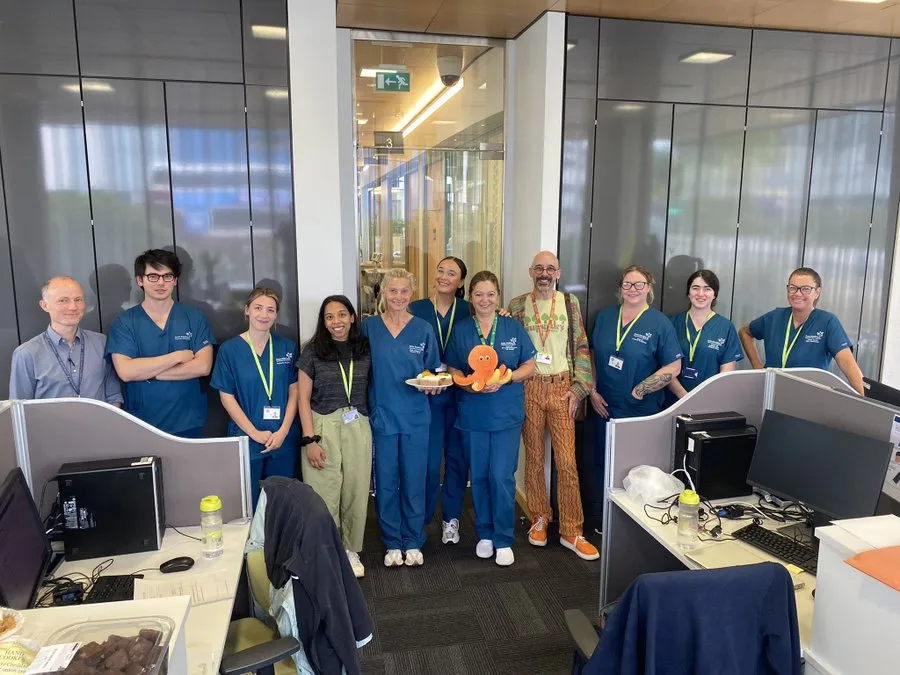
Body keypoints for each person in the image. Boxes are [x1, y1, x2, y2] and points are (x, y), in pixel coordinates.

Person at [508, 251, 599, 561]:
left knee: (567, 462)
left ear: (558, 273)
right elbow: (510, 345)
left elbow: (582, 346)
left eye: (550, 268)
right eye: (539, 268)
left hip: (562, 389)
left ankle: (572, 530)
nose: (544, 273)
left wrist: (579, 388)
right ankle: (539, 517)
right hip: (530, 388)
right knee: (534, 458)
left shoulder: (570, 304)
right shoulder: (518, 305)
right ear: (531, 272)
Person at [446, 271, 535, 566]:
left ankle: (504, 538)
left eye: (491, 294)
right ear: (471, 298)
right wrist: (466, 383)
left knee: (501, 476)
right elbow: (453, 368)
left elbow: (530, 365)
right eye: (479, 294)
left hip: (506, 415)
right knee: (480, 476)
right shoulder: (462, 330)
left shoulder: (512, 327)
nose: (485, 300)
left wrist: (508, 378)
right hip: (473, 415)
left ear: (498, 296)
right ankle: (485, 534)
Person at [589, 265, 682, 527]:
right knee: (603, 464)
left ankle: (632, 525)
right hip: (604, 407)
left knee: (635, 469)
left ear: (649, 288)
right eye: (627, 284)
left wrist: (641, 389)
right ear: (620, 288)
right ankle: (603, 521)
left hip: (640, 411)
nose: (633, 289)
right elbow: (592, 355)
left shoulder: (659, 323)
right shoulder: (605, 317)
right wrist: (592, 390)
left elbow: (674, 366)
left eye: (639, 284)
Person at [361, 268, 441, 568]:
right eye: (392, 290)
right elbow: (360, 370)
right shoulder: (369, 328)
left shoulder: (423, 329)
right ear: (382, 292)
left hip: (416, 416)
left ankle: (413, 539)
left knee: (414, 479)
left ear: (412, 294)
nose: (398, 296)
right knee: (386, 480)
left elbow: (432, 371)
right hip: (382, 414)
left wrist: (433, 385)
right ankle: (393, 540)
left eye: (404, 291)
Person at [297, 295, 372, 578]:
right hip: (323, 425)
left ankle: (351, 549)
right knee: (323, 492)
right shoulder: (312, 351)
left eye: (342, 315)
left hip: (358, 423)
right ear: (324, 322)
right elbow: (303, 399)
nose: (336, 322)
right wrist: (310, 439)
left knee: (355, 490)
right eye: (329, 317)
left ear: (352, 317)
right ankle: (327, 551)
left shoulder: (364, 349)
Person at [106, 249, 214, 437]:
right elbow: (126, 372)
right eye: (153, 276)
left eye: (167, 276)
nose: (161, 283)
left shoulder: (193, 317)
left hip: (187, 420)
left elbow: (203, 367)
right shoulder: (125, 322)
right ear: (140, 281)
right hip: (141, 422)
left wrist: (147, 373)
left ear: (175, 280)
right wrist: (176, 357)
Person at [210, 288, 299, 507]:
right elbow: (226, 397)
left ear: (276, 314)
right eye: (258, 308)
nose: (264, 314)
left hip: (282, 438)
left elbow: (294, 392)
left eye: (270, 310)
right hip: (247, 438)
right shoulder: (229, 350)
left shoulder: (287, 348)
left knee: (280, 502)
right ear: (247, 310)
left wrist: (283, 432)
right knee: (248, 503)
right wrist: (254, 433)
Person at [409, 256, 470, 545]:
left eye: (452, 273)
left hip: (461, 397)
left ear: (461, 282)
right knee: (429, 464)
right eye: (441, 270)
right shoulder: (417, 308)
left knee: (457, 461)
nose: (444, 276)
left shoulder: (469, 310)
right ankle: (420, 520)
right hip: (429, 397)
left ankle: (451, 519)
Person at [738, 267, 864, 395]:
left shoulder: (827, 322)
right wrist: (757, 367)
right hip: (771, 393)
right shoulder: (774, 317)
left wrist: (864, 399)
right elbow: (745, 332)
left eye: (806, 289)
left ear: (817, 292)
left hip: (808, 397)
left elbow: (847, 364)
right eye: (793, 288)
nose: (797, 294)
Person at [9, 276, 123, 406]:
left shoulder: (101, 343)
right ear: (44, 305)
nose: (73, 307)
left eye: (78, 300)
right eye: (63, 301)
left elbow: (114, 395)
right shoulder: (26, 353)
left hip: (100, 420)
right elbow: (18, 408)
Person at [668, 270, 744, 399]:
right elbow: (665, 367)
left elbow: (725, 375)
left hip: (710, 400)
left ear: (714, 294)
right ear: (688, 293)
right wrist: (683, 397)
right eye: (695, 288)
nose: (700, 294)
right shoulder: (673, 324)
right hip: (673, 400)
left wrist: (705, 400)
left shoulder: (726, 327)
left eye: (707, 289)